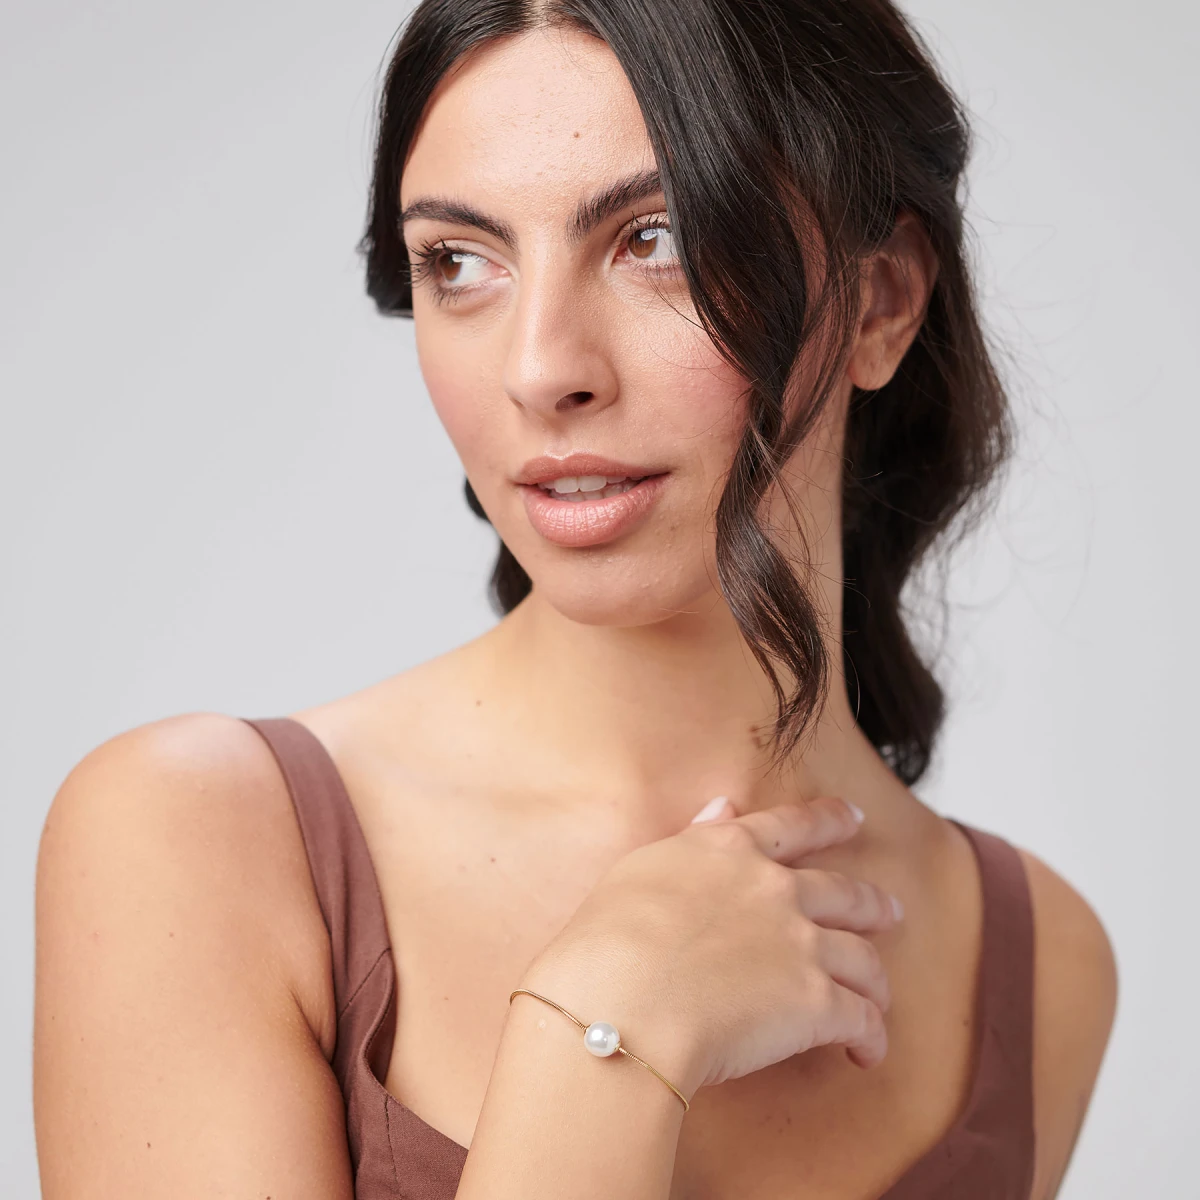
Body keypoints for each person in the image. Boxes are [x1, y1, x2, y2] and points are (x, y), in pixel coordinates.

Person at [32, 1, 1118, 1197]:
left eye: (657, 239)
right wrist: (605, 1034)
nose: (541, 367)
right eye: (459, 262)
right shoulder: (196, 847)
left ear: (882, 301)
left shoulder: (1039, 968)